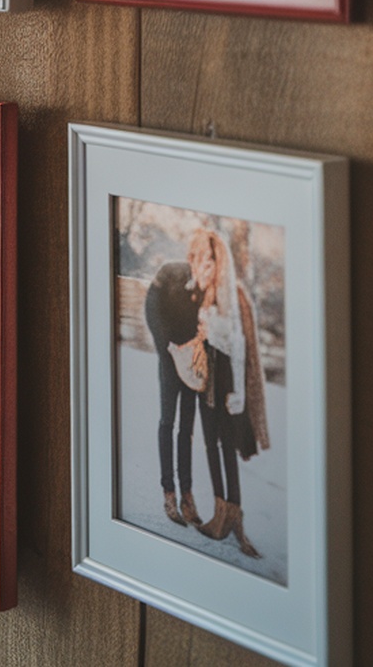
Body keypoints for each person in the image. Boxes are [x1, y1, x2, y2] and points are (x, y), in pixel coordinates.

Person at [183, 227, 270, 557]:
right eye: (197, 258)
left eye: (206, 258)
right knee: (210, 443)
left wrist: (241, 397)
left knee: (227, 446)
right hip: (208, 380)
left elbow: (238, 345)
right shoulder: (204, 291)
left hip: (227, 384)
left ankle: (233, 514)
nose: (201, 264)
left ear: (217, 258)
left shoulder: (233, 293)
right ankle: (221, 512)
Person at [144, 259, 204, 527]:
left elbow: (199, 322)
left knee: (186, 429)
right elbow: (156, 326)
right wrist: (170, 355)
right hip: (170, 364)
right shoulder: (157, 291)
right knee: (168, 423)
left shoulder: (193, 286)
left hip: (190, 365)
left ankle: (186, 496)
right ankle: (169, 492)